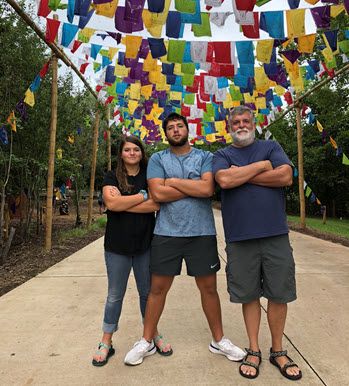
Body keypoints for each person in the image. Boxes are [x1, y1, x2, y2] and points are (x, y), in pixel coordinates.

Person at [124, 112, 245, 366]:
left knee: (209, 289)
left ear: (188, 129)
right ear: (165, 133)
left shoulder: (205, 157)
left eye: (180, 126)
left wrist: (175, 183)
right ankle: (147, 340)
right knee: (157, 289)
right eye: (171, 128)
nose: (176, 130)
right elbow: (157, 193)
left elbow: (207, 190)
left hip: (201, 233)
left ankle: (219, 340)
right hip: (166, 233)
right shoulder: (158, 158)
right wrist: (190, 186)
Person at [212, 106, 302, 381]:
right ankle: (253, 349)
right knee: (248, 295)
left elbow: (285, 176)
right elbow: (225, 180)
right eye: (236, 122)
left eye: (245, 120)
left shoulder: (271, 146)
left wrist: (245, 174)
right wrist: (263, 168)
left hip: (275, 234)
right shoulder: (222, 154)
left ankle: (277, 351)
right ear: (229, 127)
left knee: (279, 294)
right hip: (240, 238)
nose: (241, 125)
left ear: (255, 123)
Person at [92, 135, 172, 367]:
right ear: (121, 154)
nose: (132, 153)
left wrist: (125, 202)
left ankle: (152, 334)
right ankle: (106, 341)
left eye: (136, 149)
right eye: (127, 150)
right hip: (117, 246)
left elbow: (157, 204)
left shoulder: (150, 174)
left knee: (148, 294)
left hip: (146, 245)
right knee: (115, 295)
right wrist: (141, 196)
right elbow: (112, 204)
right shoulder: (111, 175)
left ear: (141, 152)